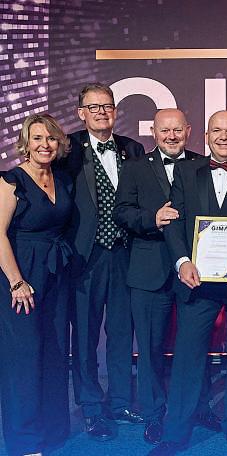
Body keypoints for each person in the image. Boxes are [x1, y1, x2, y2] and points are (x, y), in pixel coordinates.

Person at [149, 110, 227, 456]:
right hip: (197, 284)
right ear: (206, 136)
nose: (223, 137)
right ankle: (175, 432)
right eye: (217, 130)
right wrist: (182, 261)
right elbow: (174, 221)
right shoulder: (185, 171)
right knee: (187, 358)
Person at [112, 108, 220, 445]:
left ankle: (199, 407)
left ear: (188, 131)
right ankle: (154, 414)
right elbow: (121, 211)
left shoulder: (204, 163)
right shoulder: (134, 167)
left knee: (196, 345)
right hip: (150, 270)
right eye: (164, 130)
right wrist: (151, 218)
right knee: (150, 348)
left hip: (196, 270)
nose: (171, 136)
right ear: (154, 132)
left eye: (177, 130)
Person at [57, 82, 145, 441]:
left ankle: (120, 402)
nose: (101, 113)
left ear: (115, 110)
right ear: (81, 113)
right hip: (85, 256)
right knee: (85, 335)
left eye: (107, 106)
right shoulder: (66, 149)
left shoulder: (133, 149)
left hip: (125, 254)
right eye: (93, 107)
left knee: (123, 333)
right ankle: (91, 408)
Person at [0, 114, 73, 456]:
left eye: (51, 138)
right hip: (22, 275)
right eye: (38, 138)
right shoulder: (11, 180)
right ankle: (24, 440)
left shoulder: (62, 178)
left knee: (54, 352)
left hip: (56, 274)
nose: (45, 144)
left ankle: (53, 430)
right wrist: (17, 282)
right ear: (26, 144)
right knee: (24, 357)